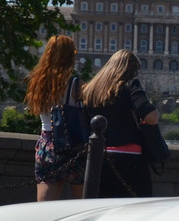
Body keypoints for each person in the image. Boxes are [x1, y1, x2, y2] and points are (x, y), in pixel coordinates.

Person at [80, 49, 160, 198]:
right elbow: (151, 117)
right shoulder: (130, 85)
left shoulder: (90, 90)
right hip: (129, 158)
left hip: (98, 159)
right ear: (131, 69)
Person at [24, 34, 85, 202]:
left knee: (45, 207)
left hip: (45, 145)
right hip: (71, 146)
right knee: (86, 204)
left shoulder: (37, 81)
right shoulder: (74, 83)